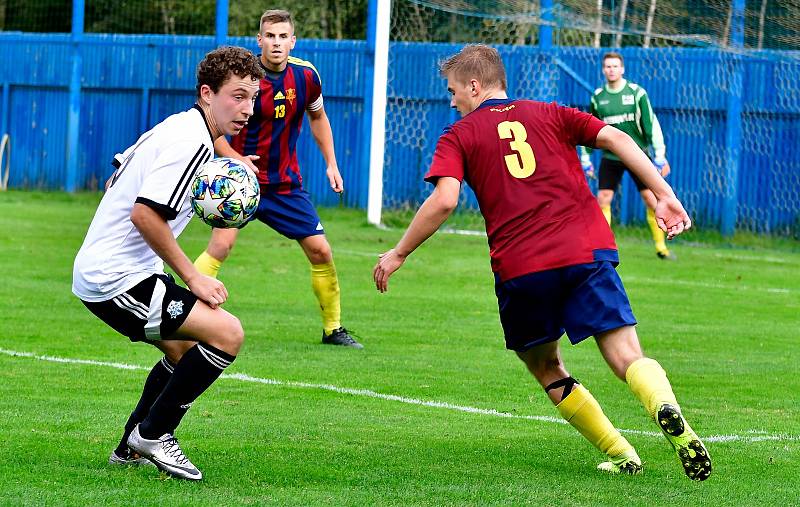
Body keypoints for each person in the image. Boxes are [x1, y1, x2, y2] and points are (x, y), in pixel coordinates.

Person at [373, 45, 711, 481]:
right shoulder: (551, 112)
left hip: (522, 267)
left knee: (545, 365)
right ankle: (664, 406)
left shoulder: (458, 135)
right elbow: (618, 139)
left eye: (454, 90)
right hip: (585, 250)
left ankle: (621, 451)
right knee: (627, 354)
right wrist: (664, 193)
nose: (452, 100)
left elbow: (445, 199)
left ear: (475, 86)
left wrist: (398, 252)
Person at [72, 46, 264, 481]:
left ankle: (128, 448)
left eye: (252, 98)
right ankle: (155, 435)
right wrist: (192, 276)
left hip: (117, 270)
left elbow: (117, 172)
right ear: (207, 93)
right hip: (115, 279)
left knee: (183, 352)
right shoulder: (191, 142)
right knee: (228, 333)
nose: (247, 109)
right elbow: (144, 214)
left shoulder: (178, 126)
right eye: (237, 96)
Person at [193, 9, 362, 349]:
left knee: (321, 251)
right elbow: (212, 127)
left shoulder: (306, 77)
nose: (276, 43)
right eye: (270, 36)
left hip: (285, 184)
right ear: (259, 40)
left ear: (293, 41)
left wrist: (331, 163)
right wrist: (237, 159)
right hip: (241, 181)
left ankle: (333, 329)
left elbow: (318, 117)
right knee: (221, 246)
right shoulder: (241, 78)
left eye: (283, 36)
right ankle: (189, 317)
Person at [580, 52, 676, 260]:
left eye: (615, 66)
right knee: (603, 198)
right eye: (608, 66)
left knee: (651, 200)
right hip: (611, 157)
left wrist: (659, 155)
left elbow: (650, 124)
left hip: (637, 155)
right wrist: (586, 159)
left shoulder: (636, 93)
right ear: (603, 70)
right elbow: (589, 129)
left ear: (622, 69)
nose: (611, 69)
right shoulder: (598, 97)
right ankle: (603, 248)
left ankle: (662, 248)